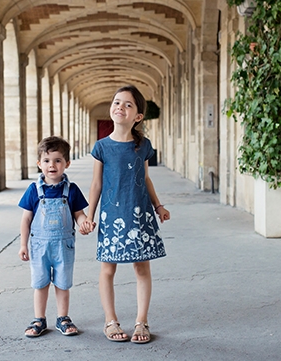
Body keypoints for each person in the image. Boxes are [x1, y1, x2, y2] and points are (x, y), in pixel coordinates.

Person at [86, 86, 170, 344]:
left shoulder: (142, 145)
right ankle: (110, 321)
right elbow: (97, 184)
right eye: (116, 102)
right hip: (112, 216)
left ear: (138, 117)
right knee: (107, 268)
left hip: (139, 215)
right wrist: (90, 216)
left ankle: (141, 321)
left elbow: (145, 178)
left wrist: (158, 206)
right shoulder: (102, 147)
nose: (120, 107)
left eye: (128, 105)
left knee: (141, 267)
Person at [18, 136, 94, 338]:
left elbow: (78, 213)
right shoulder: (34, 190)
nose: (52, 165)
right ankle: (39, 319)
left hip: (63, 246)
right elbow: (26, 220)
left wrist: (85, 222)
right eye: (47, 161)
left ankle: (63, 317)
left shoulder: (72, 190)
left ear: (67, 163)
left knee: (62, 283)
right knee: (40, 283)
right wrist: (23, 245)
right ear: (39, 164)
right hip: (39, 246)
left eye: (58, 160)